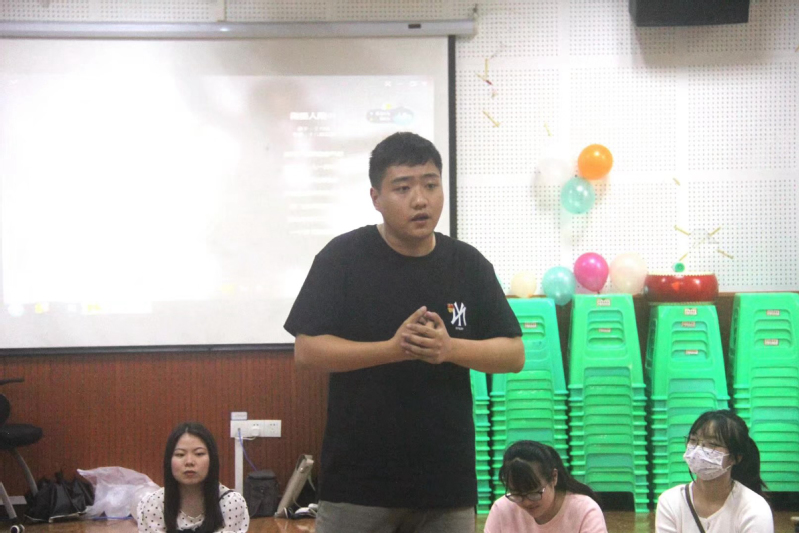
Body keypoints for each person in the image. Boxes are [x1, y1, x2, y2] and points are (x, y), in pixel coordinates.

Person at [284, 131, 524, 532]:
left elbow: (513, 354)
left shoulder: (468, 264)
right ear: (376, 197)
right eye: (403, 188)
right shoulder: (342, 258)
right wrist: (392, 349)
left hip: (446, 487)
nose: (420, 199)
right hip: (357, 486)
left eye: (431, 185)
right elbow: (307, 351)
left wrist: (449, 349)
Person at [655, 410, 774, 533]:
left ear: (735, 457)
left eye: (712, 444)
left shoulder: (754, 508)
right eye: (693, 440)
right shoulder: (671, 502)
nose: (698, 450)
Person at [137, 422, 249, 533]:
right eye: (180, 454)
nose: (189, 462)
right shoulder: (153, 504)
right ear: (169, 461)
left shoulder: (231, 503)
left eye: (199, 454)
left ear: (212, 459)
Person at [484, 441, 607, 532]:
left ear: (553, 478)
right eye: (517, 494)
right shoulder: (501, 510)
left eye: (534, 493)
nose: (526, 502)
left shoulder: (584, 511)